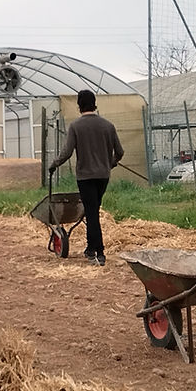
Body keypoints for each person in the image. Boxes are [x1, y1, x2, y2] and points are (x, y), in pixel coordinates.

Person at [48, 90, 124, 266]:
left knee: (92, 214)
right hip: (103, 176)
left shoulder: (76, 126)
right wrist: (110, 163)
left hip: (85, 177)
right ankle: (91, 248)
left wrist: (54, 164)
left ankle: (99, 252)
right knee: (93, 210)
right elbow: (119, 152)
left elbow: (67, 152)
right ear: (94, 103)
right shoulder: (108, 125)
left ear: (79, 105)